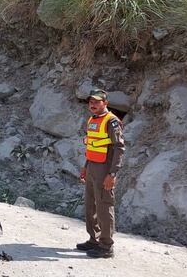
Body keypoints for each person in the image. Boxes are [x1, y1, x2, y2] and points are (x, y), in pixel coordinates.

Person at [76, 89, 125, 259]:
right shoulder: (92, 119)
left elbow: (119, 148)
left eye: (97, 102)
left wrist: (112, 174)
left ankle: (106, 246)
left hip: (105, 168)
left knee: (104, 205)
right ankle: (94, 240)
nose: (93, 104)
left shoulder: (112, 121)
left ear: (106, 103)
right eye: (91, 101)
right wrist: (85, 166)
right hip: (92, 167)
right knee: (91, 205)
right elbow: (92, 146)